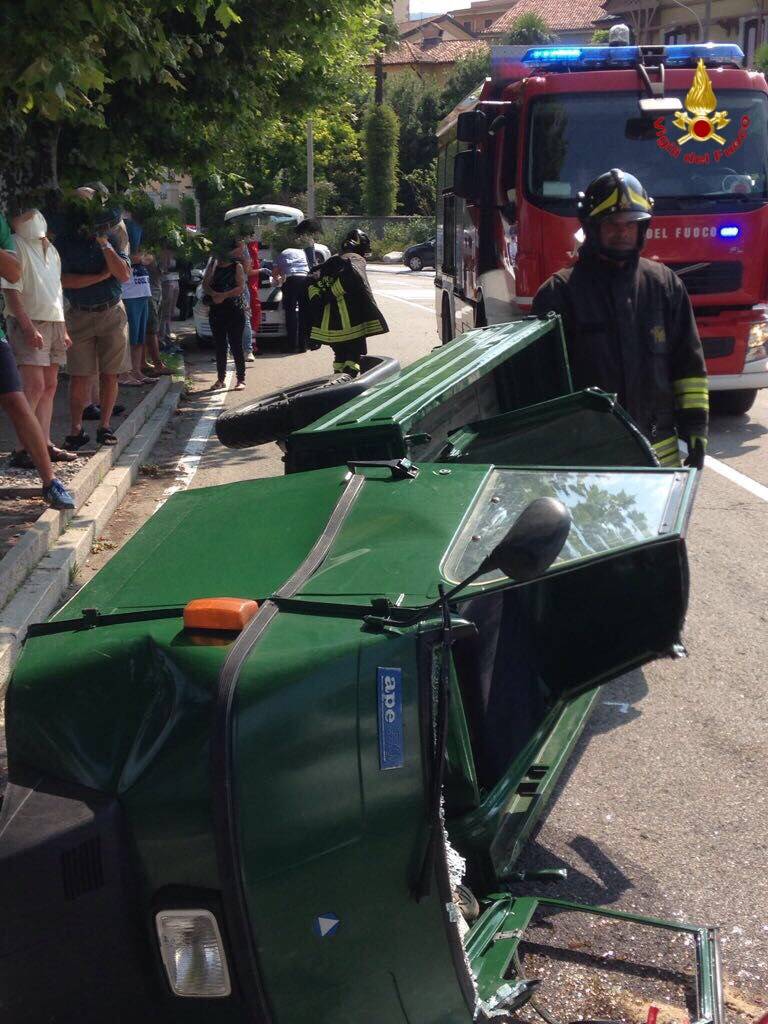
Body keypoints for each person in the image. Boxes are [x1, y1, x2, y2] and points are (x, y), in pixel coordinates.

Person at [532, 169, 708, 468]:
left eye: (631, 224)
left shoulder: (664, 284)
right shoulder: (559, 293)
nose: (622, 232)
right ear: (591, 227)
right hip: (588, 462)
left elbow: (688, 366)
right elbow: (538, 387)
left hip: (658, 463)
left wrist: (696, 429)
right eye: (612, 224)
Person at [0, 210, 74, 510]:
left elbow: (45, 285)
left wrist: (64, 326)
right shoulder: (17, 241)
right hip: (28, 321)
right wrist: (28, 327)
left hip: (52, 320)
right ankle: (23, 449)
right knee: (32, 387)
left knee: (45, 386)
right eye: (28, 213)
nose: (36, 217)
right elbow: (13, 292)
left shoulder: (48, 249)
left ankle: (44, 459)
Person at [55, 186, 132, 450]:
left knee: (111, 374)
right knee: (80, 375)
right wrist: (99, 277)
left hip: (112, 311)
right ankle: (76, 431)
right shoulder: (64, 241)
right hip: (80, 314)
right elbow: (65, 281)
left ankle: (105, 426)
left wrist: (104, 243)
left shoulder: (114, 234)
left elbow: (123, 274)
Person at [306, 229, 388, 377]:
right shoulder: (356, 260)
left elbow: (312, 284)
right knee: (353, 357)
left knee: (339, 356)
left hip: (330, 326)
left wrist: (320, 298)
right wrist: (329, 295)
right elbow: (352, 281)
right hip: (351, 324)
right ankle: (348, 385)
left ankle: (337, 382)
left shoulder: (331, 262)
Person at [202, 240, 246, 391]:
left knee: (236, 345)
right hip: (217, 310)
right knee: (220, 345)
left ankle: (241, 379)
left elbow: (240, 287)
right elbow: (205, 285)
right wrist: (214, 294)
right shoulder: (212, 266)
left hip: (234, 309)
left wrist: (224, 295)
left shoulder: (236, 266)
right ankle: (220, 379)